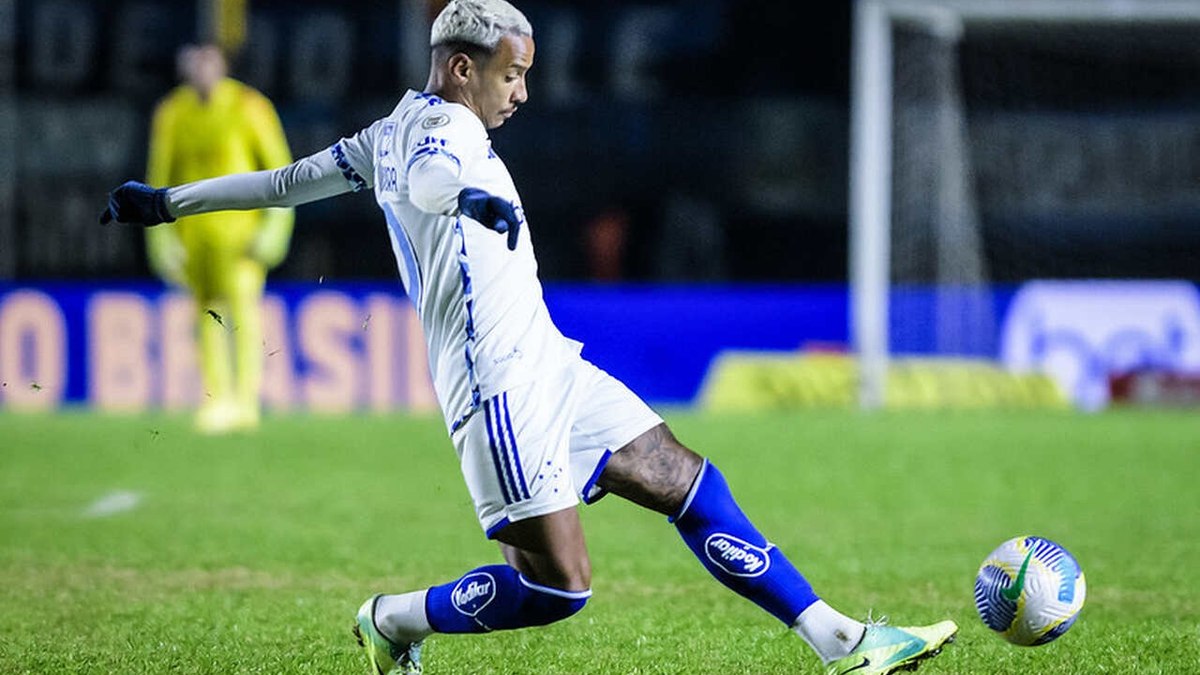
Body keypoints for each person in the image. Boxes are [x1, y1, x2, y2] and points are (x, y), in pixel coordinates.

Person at [100, 2, 956, 673]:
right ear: (463, 67)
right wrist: (465, 200)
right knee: (559, 589)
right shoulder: (441, 133)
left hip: (546, 362)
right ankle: (391, 618)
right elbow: (437, 178)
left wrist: (170, 201)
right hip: (495, 389)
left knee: (687, 479)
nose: (522, 92)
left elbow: (285, 182)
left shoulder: (383, 134)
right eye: (514, 75)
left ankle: (841, 640)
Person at [145, 43, 295, 434]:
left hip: (240, 236)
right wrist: (161, 241)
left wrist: (273, 230)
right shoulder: (172, 112)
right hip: (195, 236)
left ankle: (246, 400)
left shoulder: (249, 106)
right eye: (195, 62)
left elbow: (280, 170)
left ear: (223, 65)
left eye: (209, 61)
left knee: (244, 312)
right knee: (204, 314)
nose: (202, 70)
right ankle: (216, 398)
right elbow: (159, 175)